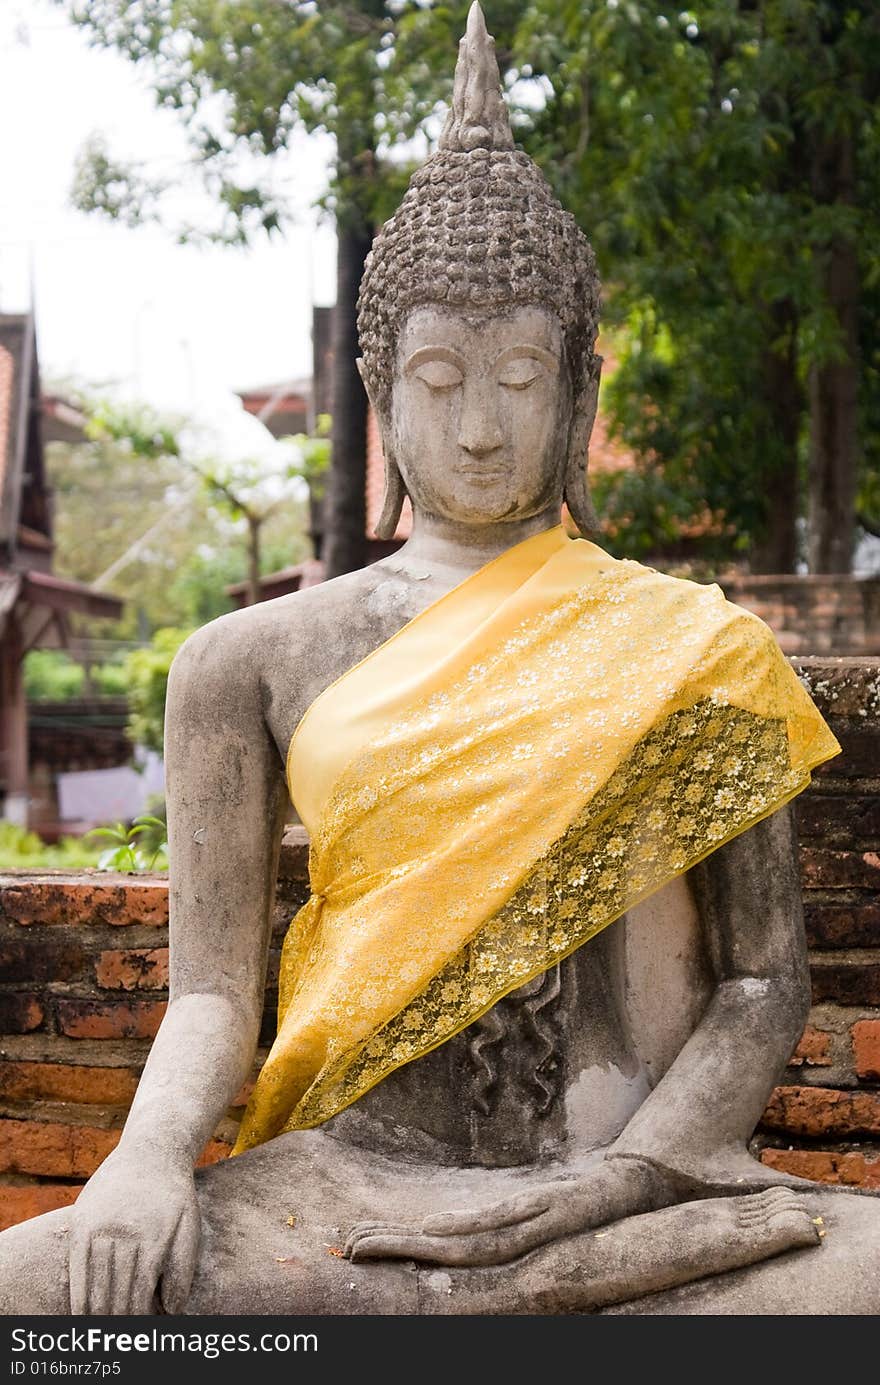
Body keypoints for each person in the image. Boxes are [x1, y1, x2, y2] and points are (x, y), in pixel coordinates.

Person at [2, 4, 878, 1317]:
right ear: (377, 380)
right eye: (438, 373)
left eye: (522, 375)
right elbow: (209, 991)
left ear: (580, 390)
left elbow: (763, 981)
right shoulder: (246, 661)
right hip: (345, 1191)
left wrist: (629, 1177)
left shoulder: (702, 645)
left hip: (633, 1199)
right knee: (35, 1301)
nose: (478, 425)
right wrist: (143, 1157)